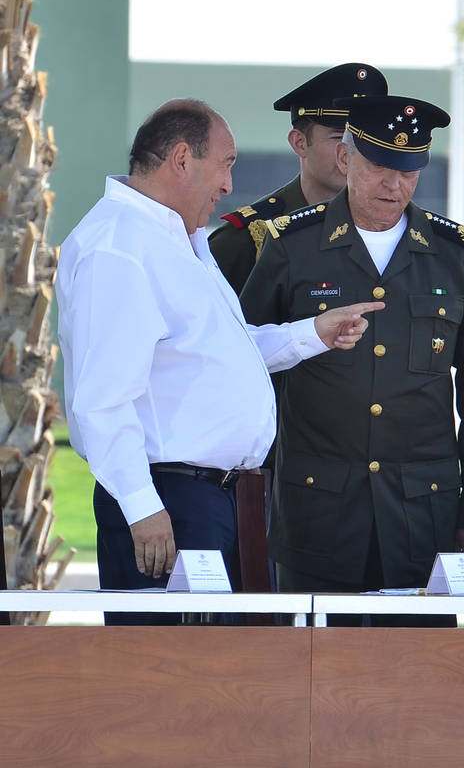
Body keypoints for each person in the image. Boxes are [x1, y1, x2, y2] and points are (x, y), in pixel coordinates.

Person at [56, 99, 382, 624]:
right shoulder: (118, 247)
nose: (229, 185)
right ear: (182, 159)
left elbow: (216, 353)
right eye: (225, 164)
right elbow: (102, 398)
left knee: (225, 667)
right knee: (170, 667)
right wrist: (142, 507)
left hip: (213, 500)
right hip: (167, 501)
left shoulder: (177, 238)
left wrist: (312, 334)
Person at [239, 94, 464, 613]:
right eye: (380, 167)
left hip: (420, 516)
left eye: (409, 172)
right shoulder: (292, 244)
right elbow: (246, 361)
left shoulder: (455, 254)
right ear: (346, 159)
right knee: (315, 657)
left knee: (415, 658)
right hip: (317, 511)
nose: (394, 185)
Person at [209, 62, 387, 293]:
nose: (353, 153)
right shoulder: (248, 240)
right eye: (340, 138)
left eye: (366, 141)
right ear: (299, 143)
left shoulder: (404, 231)